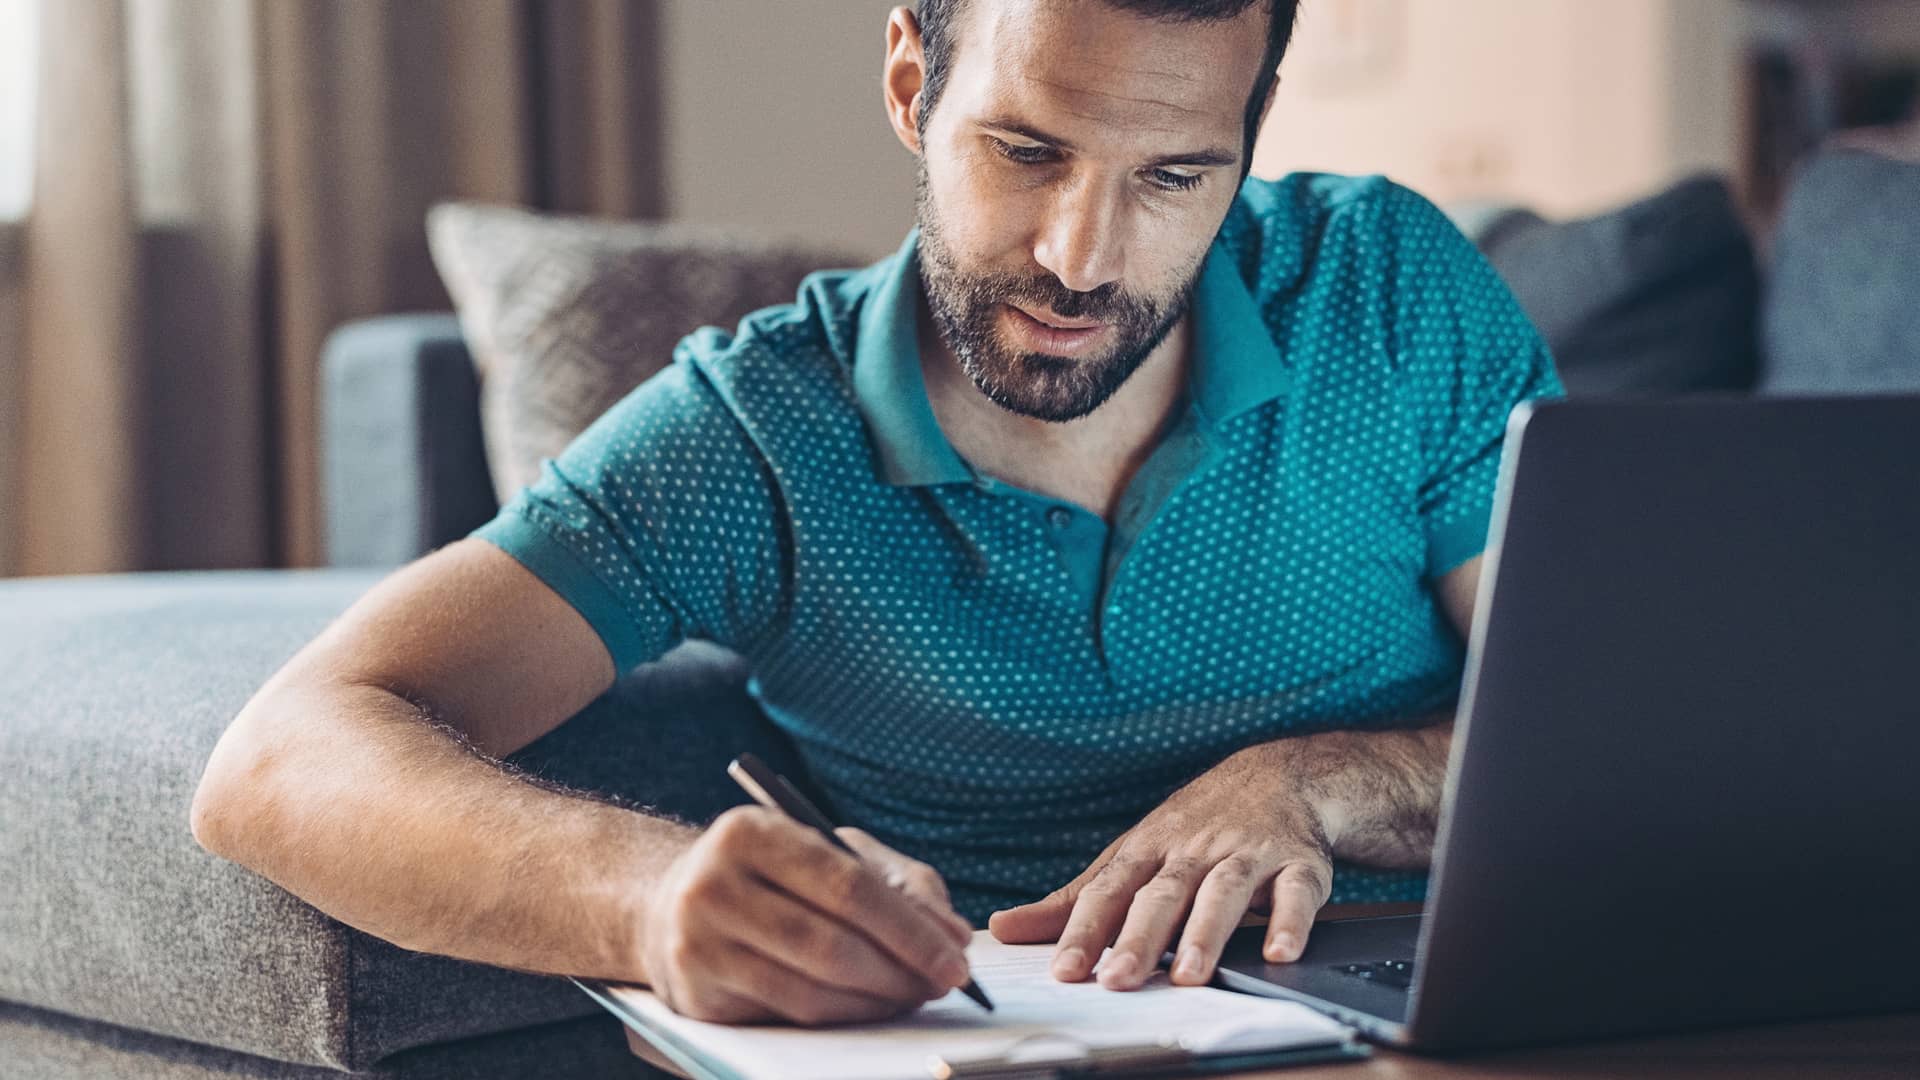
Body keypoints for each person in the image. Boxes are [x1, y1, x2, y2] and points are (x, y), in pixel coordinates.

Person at [192, 0, 1562, 1028]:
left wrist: (1311, 785)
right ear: (912, 84)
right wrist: (650, 897)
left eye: (1174, 178)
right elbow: (279, 761)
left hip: (1481, 1022)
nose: (1084, 260)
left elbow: (1603, 733)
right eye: (1028, 152)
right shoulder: (756, 439)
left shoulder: (1390, 292)